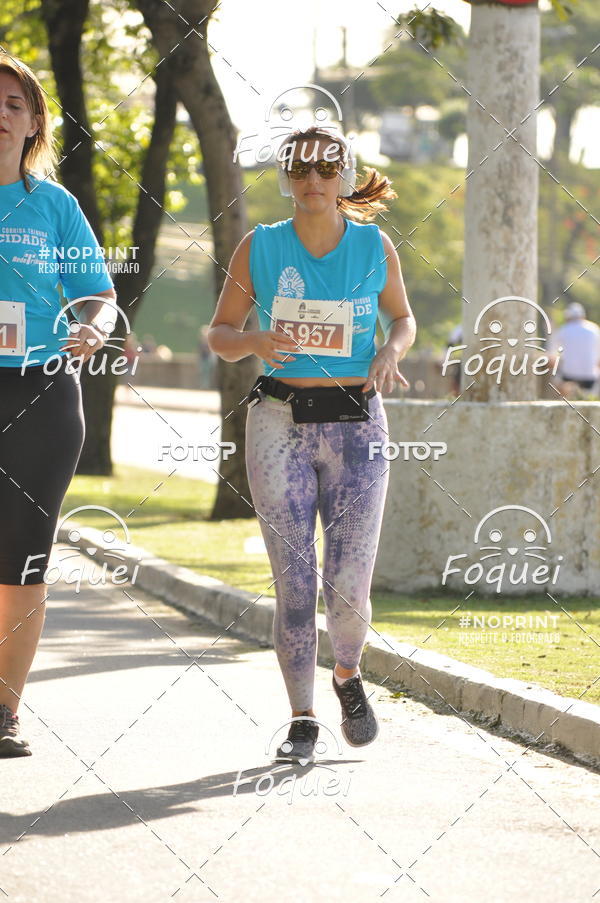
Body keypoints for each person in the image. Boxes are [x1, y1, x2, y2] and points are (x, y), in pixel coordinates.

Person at [207, 124, 416, 762]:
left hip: (358, 423)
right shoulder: (260, 247)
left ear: (344, 178)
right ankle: (301, 718)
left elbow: (403, 318)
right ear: (287, 177)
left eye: (327, 170)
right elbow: (219, 332)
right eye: (301, 169)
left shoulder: (374, 245)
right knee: (295, 584)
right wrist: (254, 342)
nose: (313, 180)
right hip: (278, 422)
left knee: (349, 582)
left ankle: (348, 675)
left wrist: (389, 350)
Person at [0, 55, 116, 757]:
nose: (2, 110)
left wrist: (92, 329)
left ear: (34, 121)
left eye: (15, 101)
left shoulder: (54, 205)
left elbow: (99, 296)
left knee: (21, 563)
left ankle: (4, 712)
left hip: (42, 391)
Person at [549, 302, 600, 394]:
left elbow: (552, 352)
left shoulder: (563, 330)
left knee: (556, 379)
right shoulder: (594, 329)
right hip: (590, 378)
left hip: (568, 376)